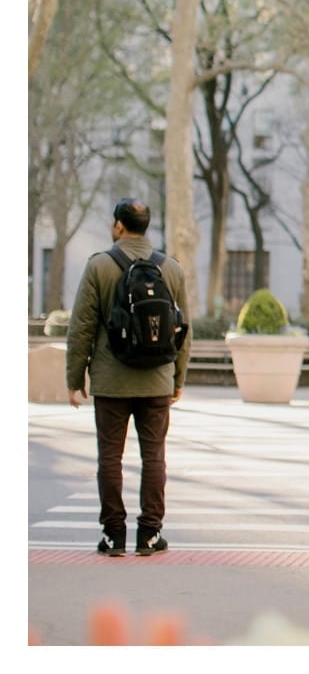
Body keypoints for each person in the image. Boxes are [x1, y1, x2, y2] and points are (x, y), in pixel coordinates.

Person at [65, 198, 190, 557]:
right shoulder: (171, 269)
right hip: (156, 381)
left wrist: (75, 380)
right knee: (154, 457)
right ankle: (149, 535)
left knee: (110, 457)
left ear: (119, 225)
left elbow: (81, 327)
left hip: (110, 381)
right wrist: (178, 379)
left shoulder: (100, 266)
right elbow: (184, 330)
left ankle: (113, 536)